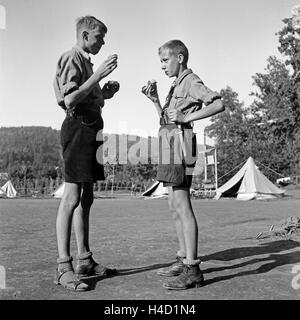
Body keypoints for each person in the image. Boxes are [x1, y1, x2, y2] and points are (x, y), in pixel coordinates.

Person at [142, 40, 224, 290]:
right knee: (173, 205)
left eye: (165, 61)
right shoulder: (176, 84)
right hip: (169, 140)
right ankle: (183, 258)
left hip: (180, 141)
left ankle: (193, 269)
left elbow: (218, 103)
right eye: (161, 62)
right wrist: (155, 100)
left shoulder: (190, 80)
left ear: (180, 57)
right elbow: (167, 118)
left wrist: (187, 117)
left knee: (182, 204)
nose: (162, 66)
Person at [53, 15, 119, 291]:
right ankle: (62, 267)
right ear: (84, 36)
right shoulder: (71, 57)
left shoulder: (86, 62)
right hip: (78, 128)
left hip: (91, 129)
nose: (102, 42)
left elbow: (87, 94)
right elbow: (69, 99)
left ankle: (85, 260)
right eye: (99, 37)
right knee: (71, 197)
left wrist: (104, 93)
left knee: (86, 197)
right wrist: (98, 76)